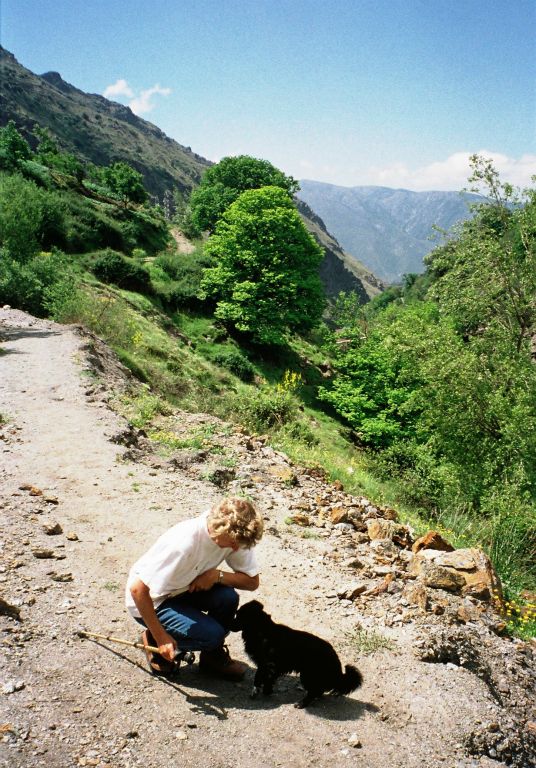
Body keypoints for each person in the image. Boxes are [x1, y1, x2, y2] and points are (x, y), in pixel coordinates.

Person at [125, 496, 263, 680]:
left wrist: (217, 575)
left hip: (182, 589)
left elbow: (252, 582)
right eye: (233, 543)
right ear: (218, 529)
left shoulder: (236, 537)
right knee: (212, 635)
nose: (236, 549)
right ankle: (153, 640)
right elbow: (137, 590)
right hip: (153, 600)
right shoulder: (184, 542)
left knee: (228, 598)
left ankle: (211, 658)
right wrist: (161, 637)